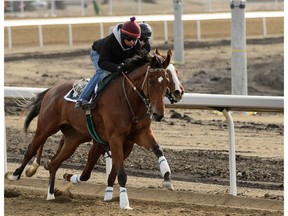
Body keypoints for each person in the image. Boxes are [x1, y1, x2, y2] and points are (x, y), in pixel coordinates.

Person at [75, 16, 142, 109]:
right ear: (123, 36)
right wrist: (118, 67)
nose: (132, 42)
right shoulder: (111, 41)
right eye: (130, 39)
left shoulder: (136, 44)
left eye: (135, 39)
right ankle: (82, 99)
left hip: (114, 58)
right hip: (98, 53)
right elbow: (102, 62)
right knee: (103, 73)